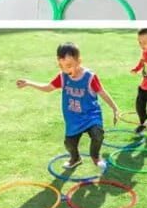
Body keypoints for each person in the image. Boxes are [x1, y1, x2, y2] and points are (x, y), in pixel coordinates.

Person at [17, 42, 120, 171]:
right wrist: (28, 83)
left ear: (79, 61)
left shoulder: (89, 77)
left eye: (69, 66)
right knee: (69, 143)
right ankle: (75, 158)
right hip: (73, 119)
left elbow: (102, 92)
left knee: (97, 134)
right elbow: (48, 88)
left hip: (90, 115)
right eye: (62, 66)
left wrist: (115, 108)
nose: (66, 70)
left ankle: (95, 157)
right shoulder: (63, 76)